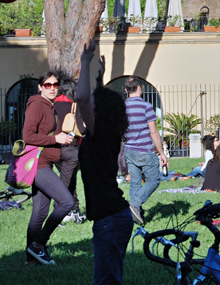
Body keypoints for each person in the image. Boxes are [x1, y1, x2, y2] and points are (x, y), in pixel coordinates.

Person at [75, 39, 133, 285]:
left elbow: (81, 98)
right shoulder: (100, 133)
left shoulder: (100, 134)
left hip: (110, 219)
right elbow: (83, 108)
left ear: (100, 111)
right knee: (108, 279)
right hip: (111, 218)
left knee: (106, 282)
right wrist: (99, 80)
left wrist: (84, 63)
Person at [23, 70, 74, 265]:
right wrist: (56, 138)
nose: (52, 88)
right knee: (66, 202)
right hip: (38, 164)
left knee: (40, 212)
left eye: (55, 85)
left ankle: (31, 258)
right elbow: (28, 136)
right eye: (48, 85)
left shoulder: (49, 106)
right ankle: (38, 245)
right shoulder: (37, 105)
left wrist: (62, 140)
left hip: (45, 162)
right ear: (40, 87)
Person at [124, 76, 168, 226]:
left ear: (126, 90)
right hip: (145, 150)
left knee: (135, 183)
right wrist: (161, 153)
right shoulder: (146, 106)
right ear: (139, 88)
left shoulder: (122, 107)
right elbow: (154, 131)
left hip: (129, 150)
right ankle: (134, 204)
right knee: (154, 180)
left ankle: (135, 216)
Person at [54, 79, 87, 225]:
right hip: (70, 148)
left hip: (54, 148)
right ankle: (57, 214)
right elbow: (82, 128)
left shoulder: (53, 104)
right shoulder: (75, 105)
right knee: (65, 182)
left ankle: (75, 210)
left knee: (70, 179)